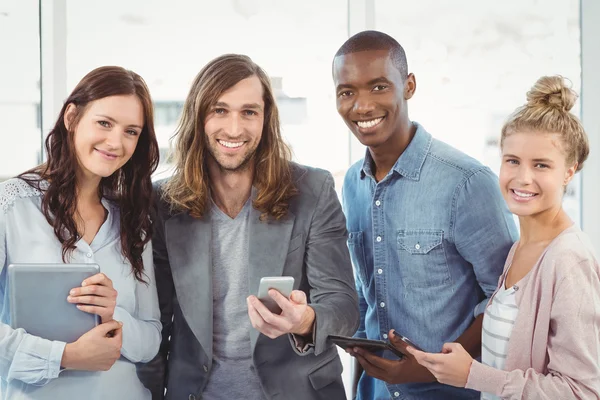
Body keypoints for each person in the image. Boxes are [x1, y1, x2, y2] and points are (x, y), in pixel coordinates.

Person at [137, 54, 359, 400]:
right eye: (219, 110)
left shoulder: (312, 190)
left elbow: (344, 306)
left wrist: (304, 321)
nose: (235, 129)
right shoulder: (163, 202)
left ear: (265, 117)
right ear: (198, 116)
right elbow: (156, 322)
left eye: (249, 112)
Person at [333, 30, 518, 399]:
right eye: (347, 92)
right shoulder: (352, 185)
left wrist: (428, 364)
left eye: (379, 87)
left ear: (409, 85)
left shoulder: (467, 183)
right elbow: (368, 297)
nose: (362, 106)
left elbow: (508, 302)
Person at [408, 76, 600, 399]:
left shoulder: (569, 260)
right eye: (512, 161)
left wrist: (472, 375)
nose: (522, 178)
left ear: (569, 171)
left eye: (541, 165)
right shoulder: (520, 248)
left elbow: (581, 391)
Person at [0, 66, 162, 399]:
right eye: (104, 123)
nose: (116, 142)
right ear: (72, 117)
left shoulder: (132, 220)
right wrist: (66, 357)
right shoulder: (12, 206)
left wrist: (110, 314)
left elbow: (150, 339)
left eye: (131, 131)